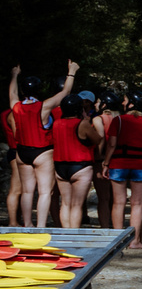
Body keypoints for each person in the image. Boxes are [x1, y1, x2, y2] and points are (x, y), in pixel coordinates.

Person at [7, 62, 76, 228]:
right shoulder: (44, 107)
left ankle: (28, 224)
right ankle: (41, 226)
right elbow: (65, 92)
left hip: (22, 152)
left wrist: (15, 75)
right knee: (45, 192)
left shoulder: (16, 106)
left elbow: (12, 93)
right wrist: (72, 72)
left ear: (24, 91)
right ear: (39, 90)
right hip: (42, 151)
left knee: (27, 191)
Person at [102, 89, 142, 247]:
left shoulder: (118, 121)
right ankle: (134, 241)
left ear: (132, 103)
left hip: (119, 163)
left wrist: (106, 163)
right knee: (137, 204)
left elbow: (112, 144)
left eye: (125, 100)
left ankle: (117, 240)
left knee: (118, 202)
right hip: (140, 164)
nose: (122, 103)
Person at [52, 88, 100, 229]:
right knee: (77, 204)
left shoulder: (56, 124)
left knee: (65, 203)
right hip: (80, 166)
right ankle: (74, 234)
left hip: (60, 166)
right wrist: (86, 118)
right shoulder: (83, 124)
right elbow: (98, 139)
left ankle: (66, 234)